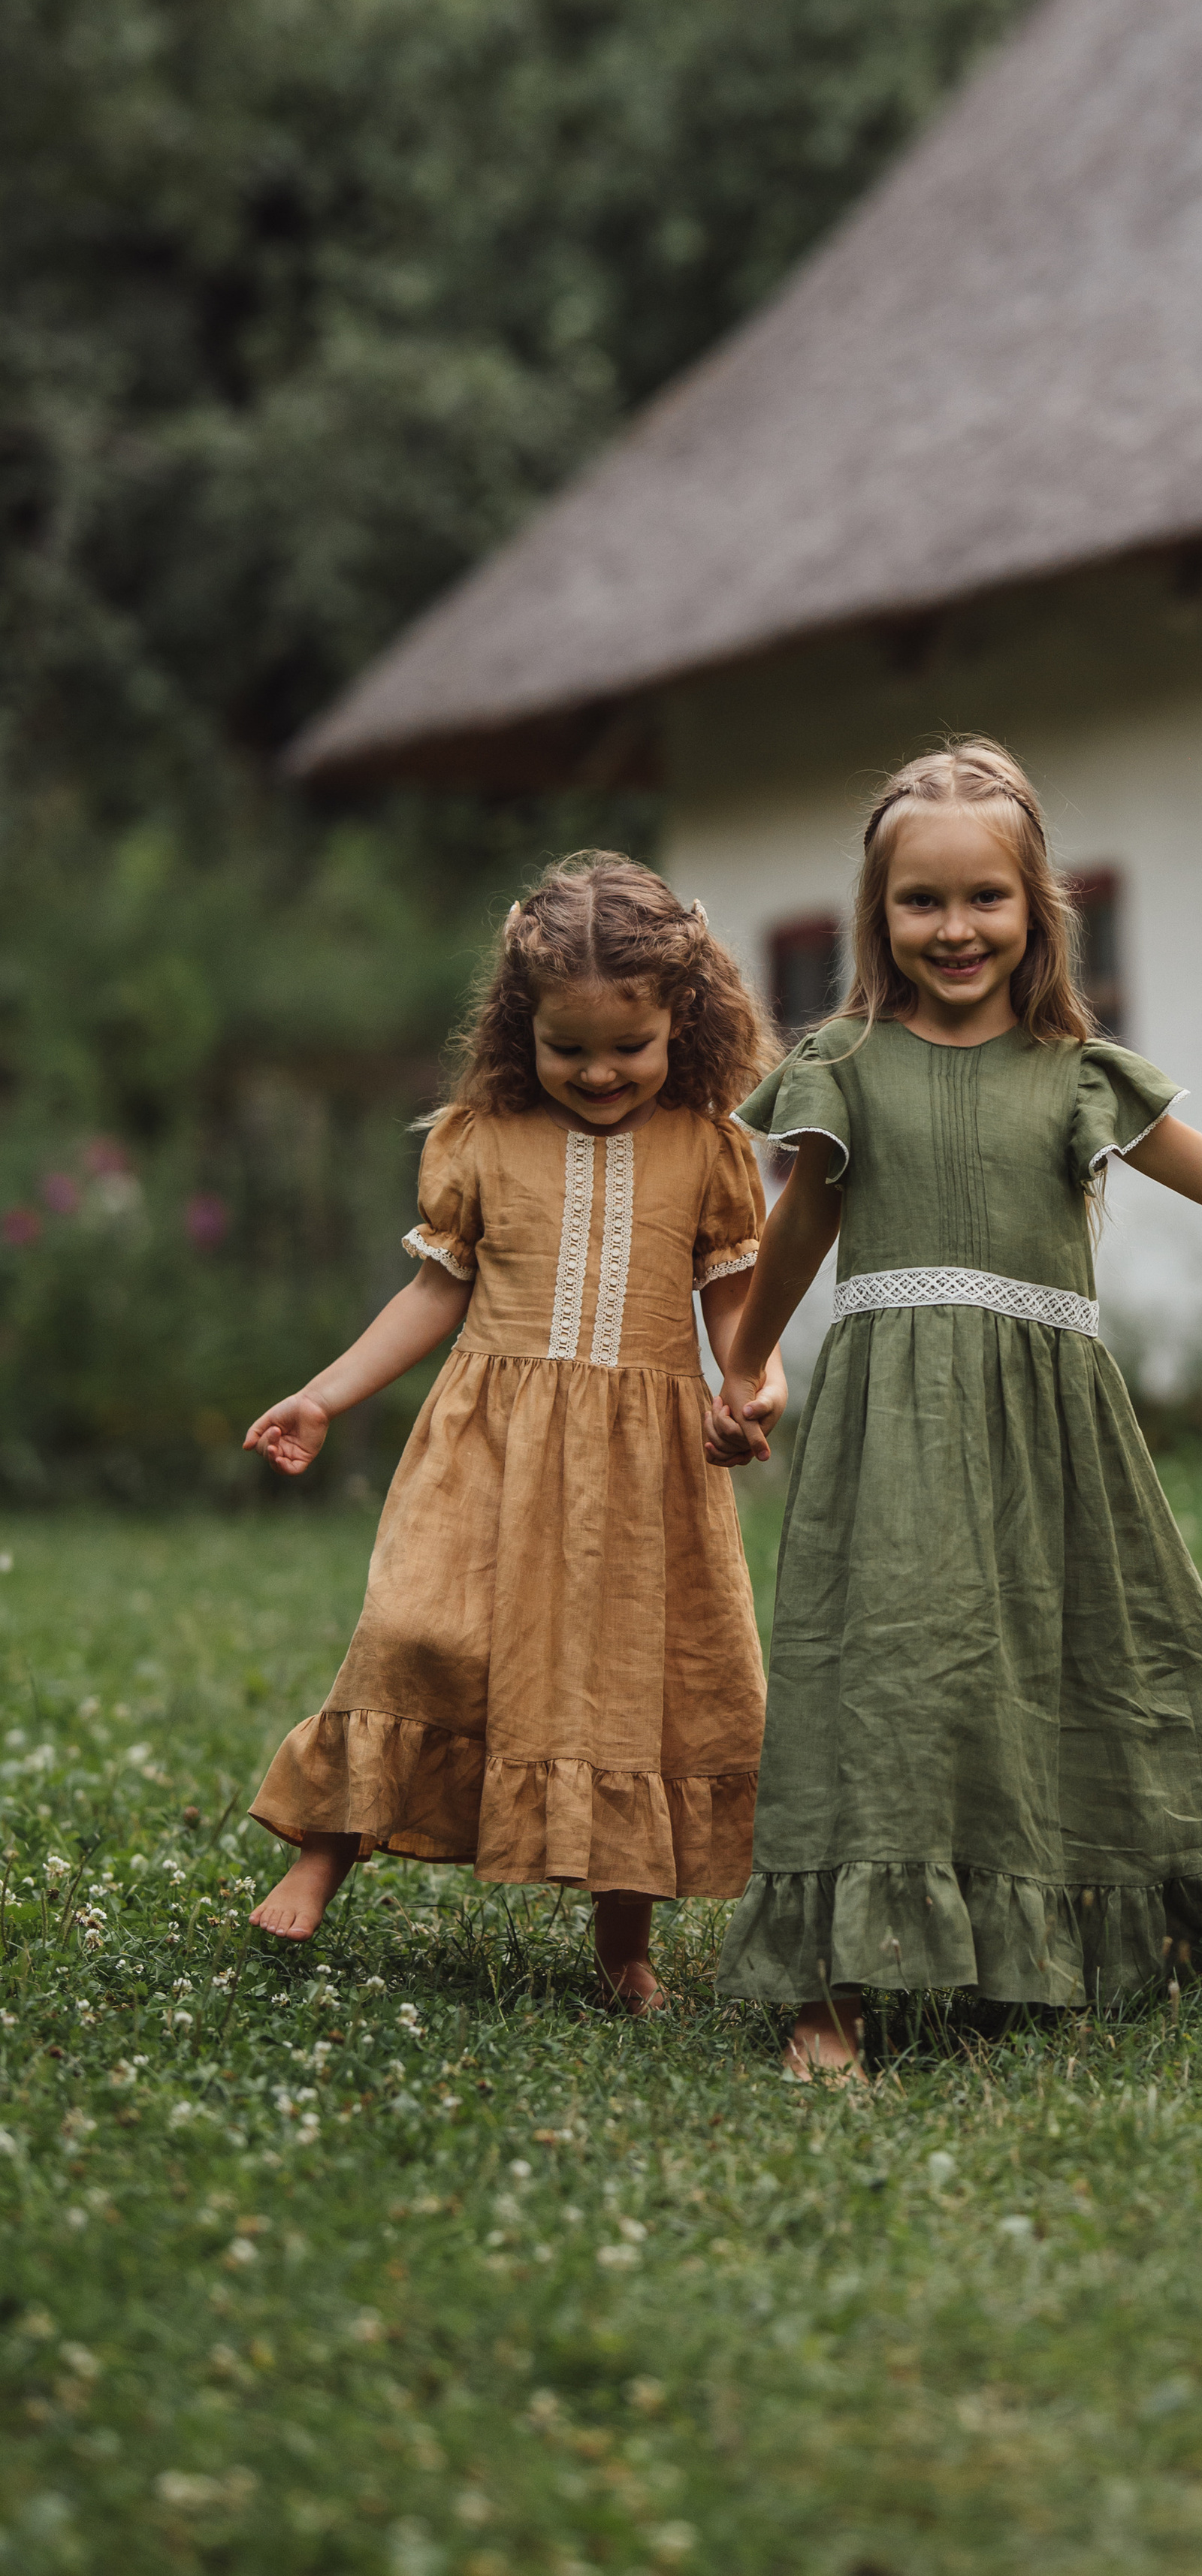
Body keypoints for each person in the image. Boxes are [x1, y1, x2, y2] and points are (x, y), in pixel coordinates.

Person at [708, 741, 1202, 2079]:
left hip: (1051, 1425)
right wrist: (743, 1367)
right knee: (889, 1676)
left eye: (986, 899)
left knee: (1106, 1653)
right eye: (923, 902)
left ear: (1036, 910)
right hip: (891, 1422)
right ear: (880, 913)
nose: (955, 929)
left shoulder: (1078, 1070)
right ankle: (835, 1993)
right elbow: (797, 1231)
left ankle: (1079, 1936)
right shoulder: (843, 1062)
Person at [243, 853, 782, 2016]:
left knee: (629, 1683)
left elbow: (735, 1297)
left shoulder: (708, 1145)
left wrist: (752, 1382)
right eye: (567, 1045)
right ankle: (329, 1846)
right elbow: (436, 1291)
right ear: (518, 1026)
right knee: (417, 1625)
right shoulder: (482, 1135)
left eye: (626, 1048)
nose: (597, 1071)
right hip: (488, 1441)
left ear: (679, 1023)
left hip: (643, 1465)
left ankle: (624, 1949)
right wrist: (327, 1395)